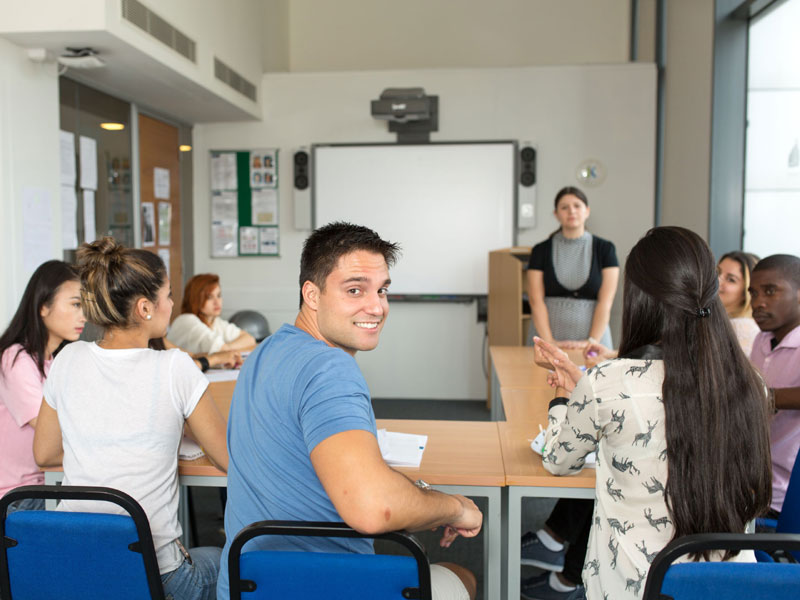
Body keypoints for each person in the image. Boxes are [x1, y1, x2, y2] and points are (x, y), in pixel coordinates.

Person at [217, 222, 483, 600]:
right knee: (462, 577)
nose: (376, 307)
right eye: (354, 290)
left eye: (382, 290)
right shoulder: (330, 368)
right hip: (328, 587)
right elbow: (373, 510)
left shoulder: (264, 352)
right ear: (312, 294)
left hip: (248, 587)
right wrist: (456, 508)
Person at [532, 226, 771, 600]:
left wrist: (565, 397)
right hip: (731, 585)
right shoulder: (751, 383)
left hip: (634, 584)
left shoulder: (607, 382)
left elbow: (558, 461)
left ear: (638, 298)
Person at [33, 238, 229, 600]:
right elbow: (227, 458)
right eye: (168, 296)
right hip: (155, 578)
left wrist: (102, 448)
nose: (172, 305)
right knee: (224, 560)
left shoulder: (67, 359)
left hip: (72, 570)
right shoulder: (174, 367)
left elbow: (44, 453)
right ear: (144, 308)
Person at [0, 261, 85, 512]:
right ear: (43, 307)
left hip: (49, 483)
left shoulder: (54, 362)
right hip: (18, 497)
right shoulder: (15, 359)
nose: (84, 316)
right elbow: (52, 428)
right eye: (75, 304)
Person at [527, 187, 619, 350]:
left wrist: (591, 341)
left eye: (577, 206)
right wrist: (549, 342)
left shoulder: (605, 249)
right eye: (564, 207)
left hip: (594, 343)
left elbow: (606, 301)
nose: (571, 211)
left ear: (587, 211)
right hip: (547, 341)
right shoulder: (540, 250)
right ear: (556, 214)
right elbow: (535, 301)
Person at [748, 254, 800, 519]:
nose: (758, 303)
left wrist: (765, 397)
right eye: (753, 293)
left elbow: (759, 395)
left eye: (770, 291)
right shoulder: (761, 339)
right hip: (754, 485)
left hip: (786, 495)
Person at [167, 274, 256, 354]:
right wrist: (229, 350)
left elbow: (250, 339)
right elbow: (221, 351)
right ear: (195, 300)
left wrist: (228, 349)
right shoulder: (186, 320)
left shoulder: (215, 322)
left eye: (219, 295)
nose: (217, 302)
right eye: (209, 297)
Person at [717, 250, 761, 355]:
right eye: (717, 272)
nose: (717, 280)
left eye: (731, 279)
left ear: (747, 292)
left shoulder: (741, 328)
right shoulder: (718, 319)